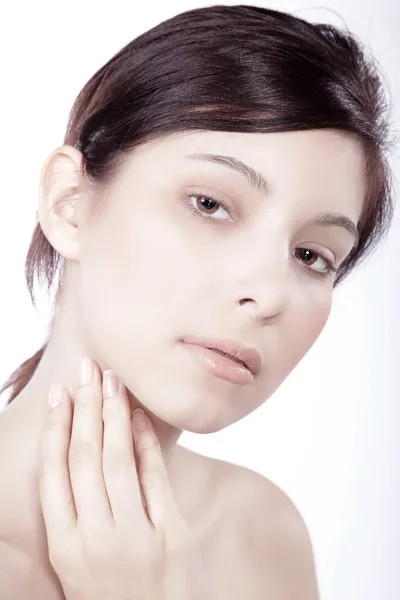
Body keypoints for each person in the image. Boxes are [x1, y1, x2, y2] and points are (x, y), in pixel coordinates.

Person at [0, 3, 395, 599]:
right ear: (68, 202)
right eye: (210, 204)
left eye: (312, 256)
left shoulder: (259, 535)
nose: (267, 294)